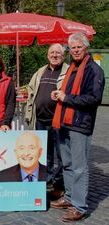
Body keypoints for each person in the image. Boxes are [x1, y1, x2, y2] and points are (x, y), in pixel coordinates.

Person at [50, 32, 105, 222]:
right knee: (67, 164)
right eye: (72, 48)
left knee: (80, 167)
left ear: (86, 47)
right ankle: (70, 197)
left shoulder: (94, 71)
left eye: (78, 47)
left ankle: (80, 206)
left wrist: (67, 98)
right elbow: (68, 93)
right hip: (64, 122)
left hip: (80, 124)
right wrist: (59, 95)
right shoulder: (73, 68)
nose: (75, 50)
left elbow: (93, 99)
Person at [25, 43, 68, 194]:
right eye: (52, 53)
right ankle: (47, 181)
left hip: (58, 121)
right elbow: (30, 89)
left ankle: (59, 184)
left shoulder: (68, 72)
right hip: (40, 120)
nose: (55, 55)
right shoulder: (40, 71)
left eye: (58, 53)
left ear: (63, 56)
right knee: (44, 154)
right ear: (47, 55)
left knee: (62, 154)